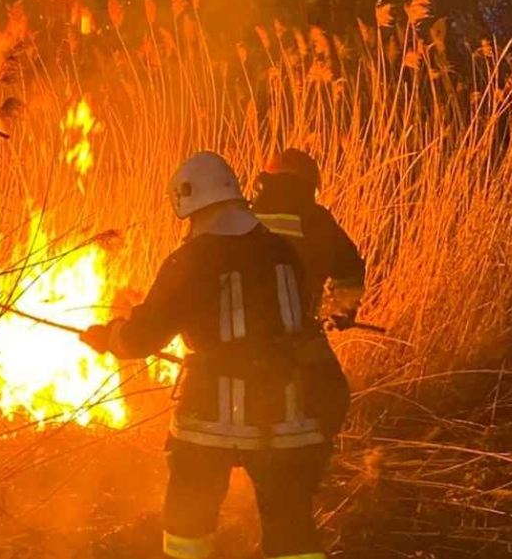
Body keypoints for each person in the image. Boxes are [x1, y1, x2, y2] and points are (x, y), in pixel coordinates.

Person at [80, 151, 350, 559]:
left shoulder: (190, 259)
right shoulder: (281, 251)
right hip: (286, 413)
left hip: (208, 419)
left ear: (186, 202)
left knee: (190, 522)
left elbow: (141, 338)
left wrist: (110, 337)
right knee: (292, 531)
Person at [250, 148, 365, 332]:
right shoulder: (319, 221)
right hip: (301, 337)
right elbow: (351, 269)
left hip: (245, 339)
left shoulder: (244, 216)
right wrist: (338, 311)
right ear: (312, 185)